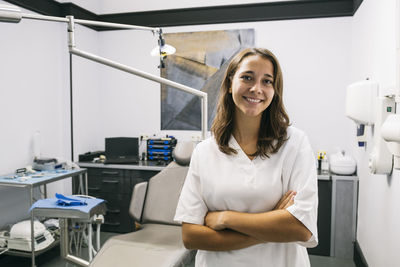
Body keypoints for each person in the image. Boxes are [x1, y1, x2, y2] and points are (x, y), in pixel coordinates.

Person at [174, 47, 318, 267]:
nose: (256, 88)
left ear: (275, 90)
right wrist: (273, 222)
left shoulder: (294, 143)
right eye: (247, 77)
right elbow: (191, 236)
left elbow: (300, 228)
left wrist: (225, 218)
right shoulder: (205, 151)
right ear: (231, 81)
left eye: (267, 81)